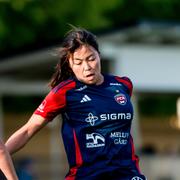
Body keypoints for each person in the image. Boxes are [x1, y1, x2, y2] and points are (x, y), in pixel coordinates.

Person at [5, 27, 146, 180]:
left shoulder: (123, 85)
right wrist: (2, 156)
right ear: (70, 64)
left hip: (128, 173)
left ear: (99, 55)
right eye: (78, 62)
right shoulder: (64, 92)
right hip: (87, 176)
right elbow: (27, 131)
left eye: (91, 58)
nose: (86, 67)